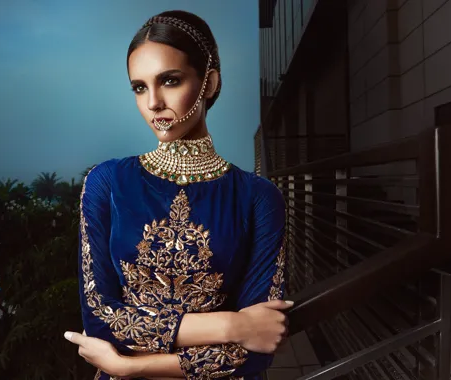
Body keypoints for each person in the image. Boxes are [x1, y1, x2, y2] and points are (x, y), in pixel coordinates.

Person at [64, 10, 291, 380]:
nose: (152, 102)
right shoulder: (106, 182)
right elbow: (102, 319)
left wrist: (128, 365)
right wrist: (234, 326)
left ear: (210, 83)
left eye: (169, 81)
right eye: (139, 87)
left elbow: (260, 347)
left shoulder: (259, 197)